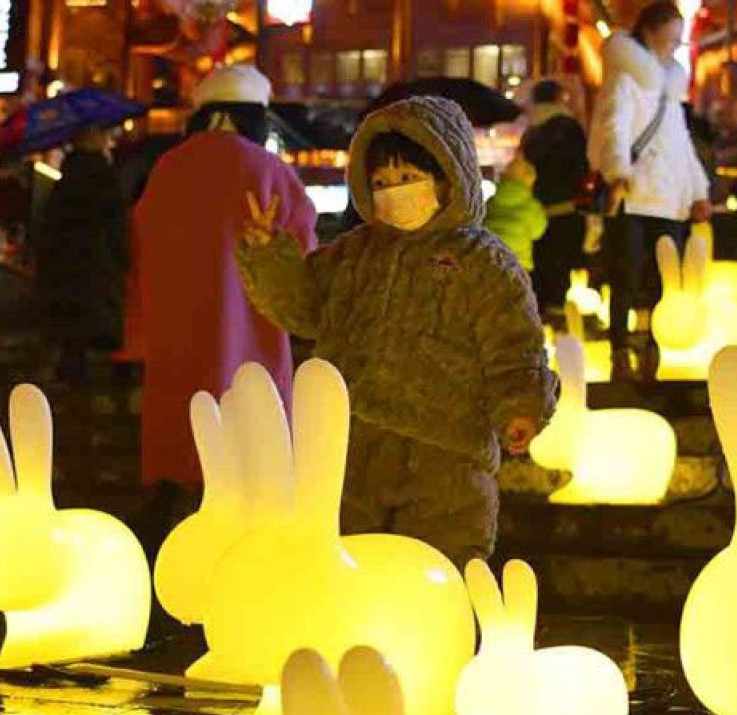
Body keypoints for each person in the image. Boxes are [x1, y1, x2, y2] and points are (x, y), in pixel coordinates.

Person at [236, 96, 556, 566]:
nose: (394, 192)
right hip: (352, 444)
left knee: (441, 566)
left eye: (408, 179)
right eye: (382, 183)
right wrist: (268, 256)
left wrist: (521, 406)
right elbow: (304, 308)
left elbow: (515, 346)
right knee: (352, 565)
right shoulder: (356, 252)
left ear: (449, 178)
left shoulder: (483, 262)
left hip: (446, 448)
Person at [133, 64, 317, 495]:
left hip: (175, 330)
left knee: (181, 436)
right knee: (252, 445)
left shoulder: (167, 168)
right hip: (252, 333)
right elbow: (303, 260)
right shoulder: (269, 171)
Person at [588, 0, 712, 379]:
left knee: (663, 274)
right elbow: (614, 124)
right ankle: (621, 345)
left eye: (679, 38)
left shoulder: (670, 87)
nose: (676, 44)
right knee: (625, 273)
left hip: (670, 196)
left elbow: (682, 145)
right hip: (635, 191)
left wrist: (698, 191)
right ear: (650, 32)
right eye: (672, 36)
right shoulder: (627, 75)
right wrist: (618, 170)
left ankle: (652, 342)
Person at [35, 125, 127, 384]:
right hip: (98, 265)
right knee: (95, 319)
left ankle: (70, 369)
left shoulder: (64, 181)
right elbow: (115, 226)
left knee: (72, 328)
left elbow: (49, 229)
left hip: (67, 268)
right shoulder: (106, 178)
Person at [519, 79, 589, 314]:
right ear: (560, 99)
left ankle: (538, 312)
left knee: (540, 262)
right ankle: (557, 312)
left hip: (534, 208)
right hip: (565, 206)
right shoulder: (569, 127)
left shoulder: (531, 130)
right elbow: (580, 167)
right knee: (561, 261)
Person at [485, 154, 548, 271]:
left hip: (491, 259)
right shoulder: (532, 206)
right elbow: (537, 232)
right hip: (518, 263)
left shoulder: (491, 202)